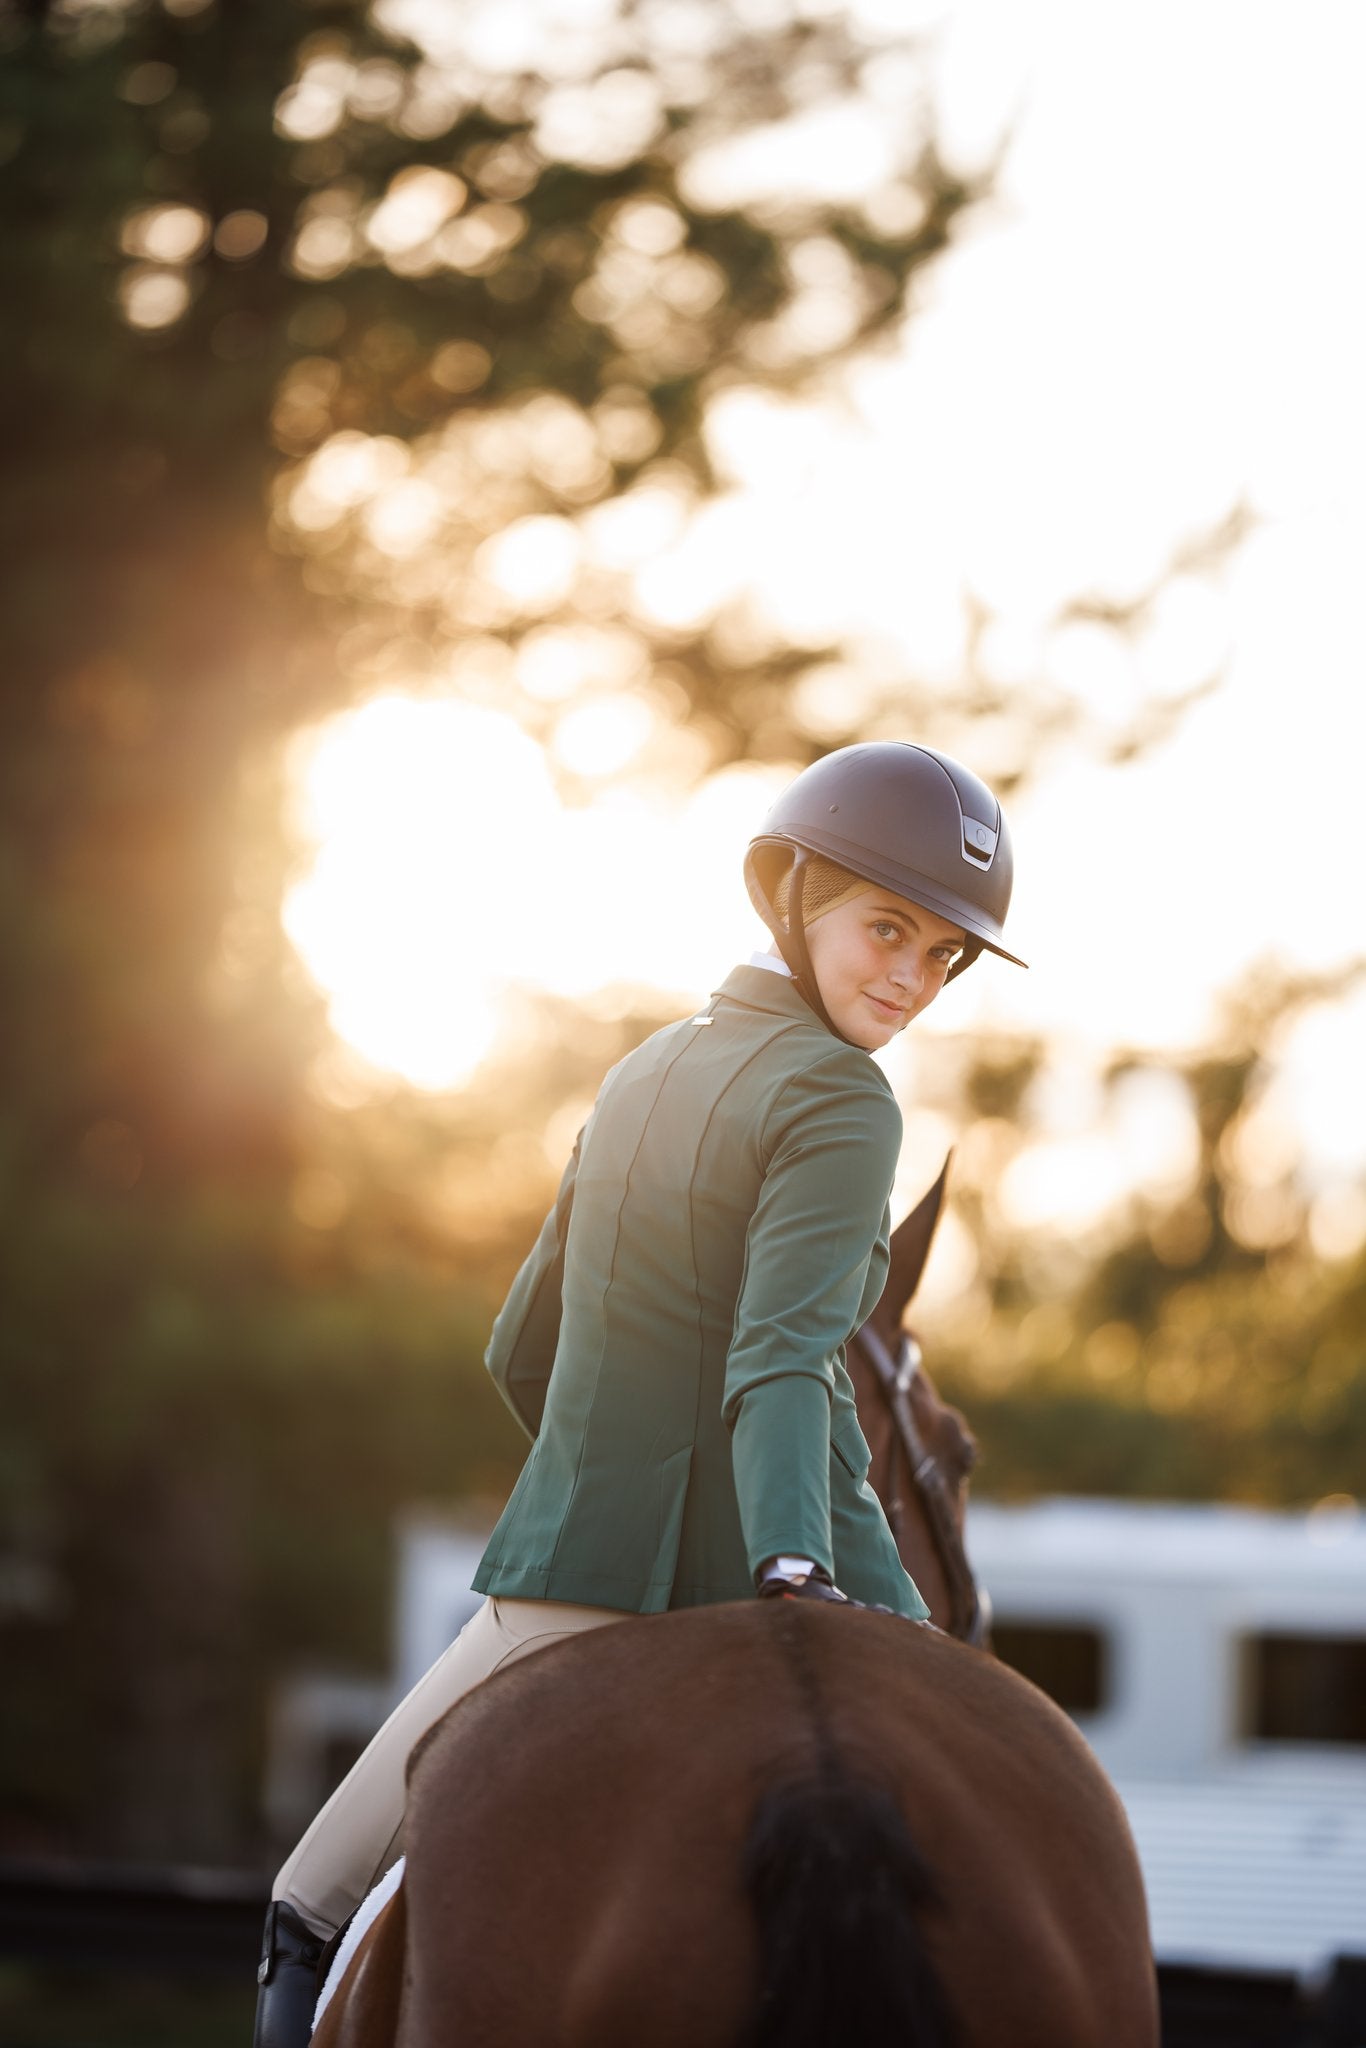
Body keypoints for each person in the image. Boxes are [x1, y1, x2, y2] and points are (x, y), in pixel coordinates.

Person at [251, 739, 1025, 2046]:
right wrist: (791, 1568)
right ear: (791, 893)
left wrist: (603, 1490)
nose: (910, 977)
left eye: (940, 957)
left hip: (565, 1588)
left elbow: (525, 1345)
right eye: (887, 930)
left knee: (304, 1906)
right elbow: (784, 1355)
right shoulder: (845, 1099)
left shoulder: (640, 1073)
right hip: (800, 1565)